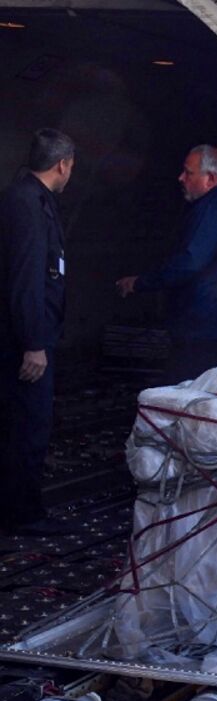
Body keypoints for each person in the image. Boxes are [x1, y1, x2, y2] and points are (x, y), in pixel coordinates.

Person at [116, 145, 217, 384]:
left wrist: (140, 283)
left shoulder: (211, 209)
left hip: (205, 335)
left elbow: (189, 262)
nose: (181, 178)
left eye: (188, 172)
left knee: (186, 397)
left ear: (210, 178)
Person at [0, 129, 76, 535]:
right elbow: (26, 278)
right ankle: (22, 514)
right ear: (63, 164)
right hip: (23, 340)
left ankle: (17, 507)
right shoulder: (27, 204)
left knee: (21, 422)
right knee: (28, 425)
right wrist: (34, 343)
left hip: (29, 332)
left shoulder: (29, 198)